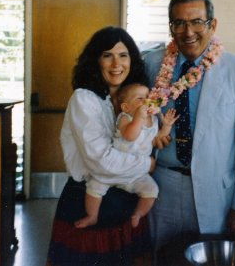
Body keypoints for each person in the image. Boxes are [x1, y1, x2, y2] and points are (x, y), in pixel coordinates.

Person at [144, 0, 235, 253]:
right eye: (179, 23)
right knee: (161, 256)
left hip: (215, 193)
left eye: (197, 21)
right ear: (171, 27)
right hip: (160, 186)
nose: (188, 32)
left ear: (213, 24)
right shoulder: (152, 64)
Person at [47, 26, 155, 266]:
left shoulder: (136, 100)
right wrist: (147, 163)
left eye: (123, 55)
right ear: (96, 60)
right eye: (107, 55)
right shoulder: (85, 99)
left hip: (127, 200)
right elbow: (101, 162)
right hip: (87, 200)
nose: (117, 63)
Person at [75, 83, 178, 229]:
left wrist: (166, 126)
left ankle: (138, 214)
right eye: (140, 99)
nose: (146, 102)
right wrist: (138, 118)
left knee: (152, 189)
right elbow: (130, 136)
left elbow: (157, 139)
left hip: (135, 173)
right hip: (113, 169)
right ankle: (92, 216)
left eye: (148, 97)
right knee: (94, 187)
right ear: (126, 107)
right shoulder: (125, 118)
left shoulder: (153, 120)